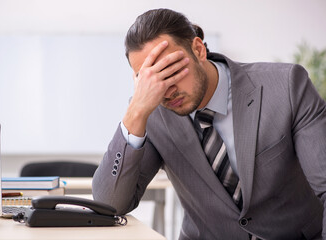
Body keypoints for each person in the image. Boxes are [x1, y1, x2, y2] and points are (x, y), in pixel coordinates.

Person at [92, 8, 326, 240]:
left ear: (198, 49)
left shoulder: (286, 87)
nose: (167, 90)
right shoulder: (150, 114)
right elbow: (110, 203)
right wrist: (136, 111)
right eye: (152, 79)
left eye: (170, 71)